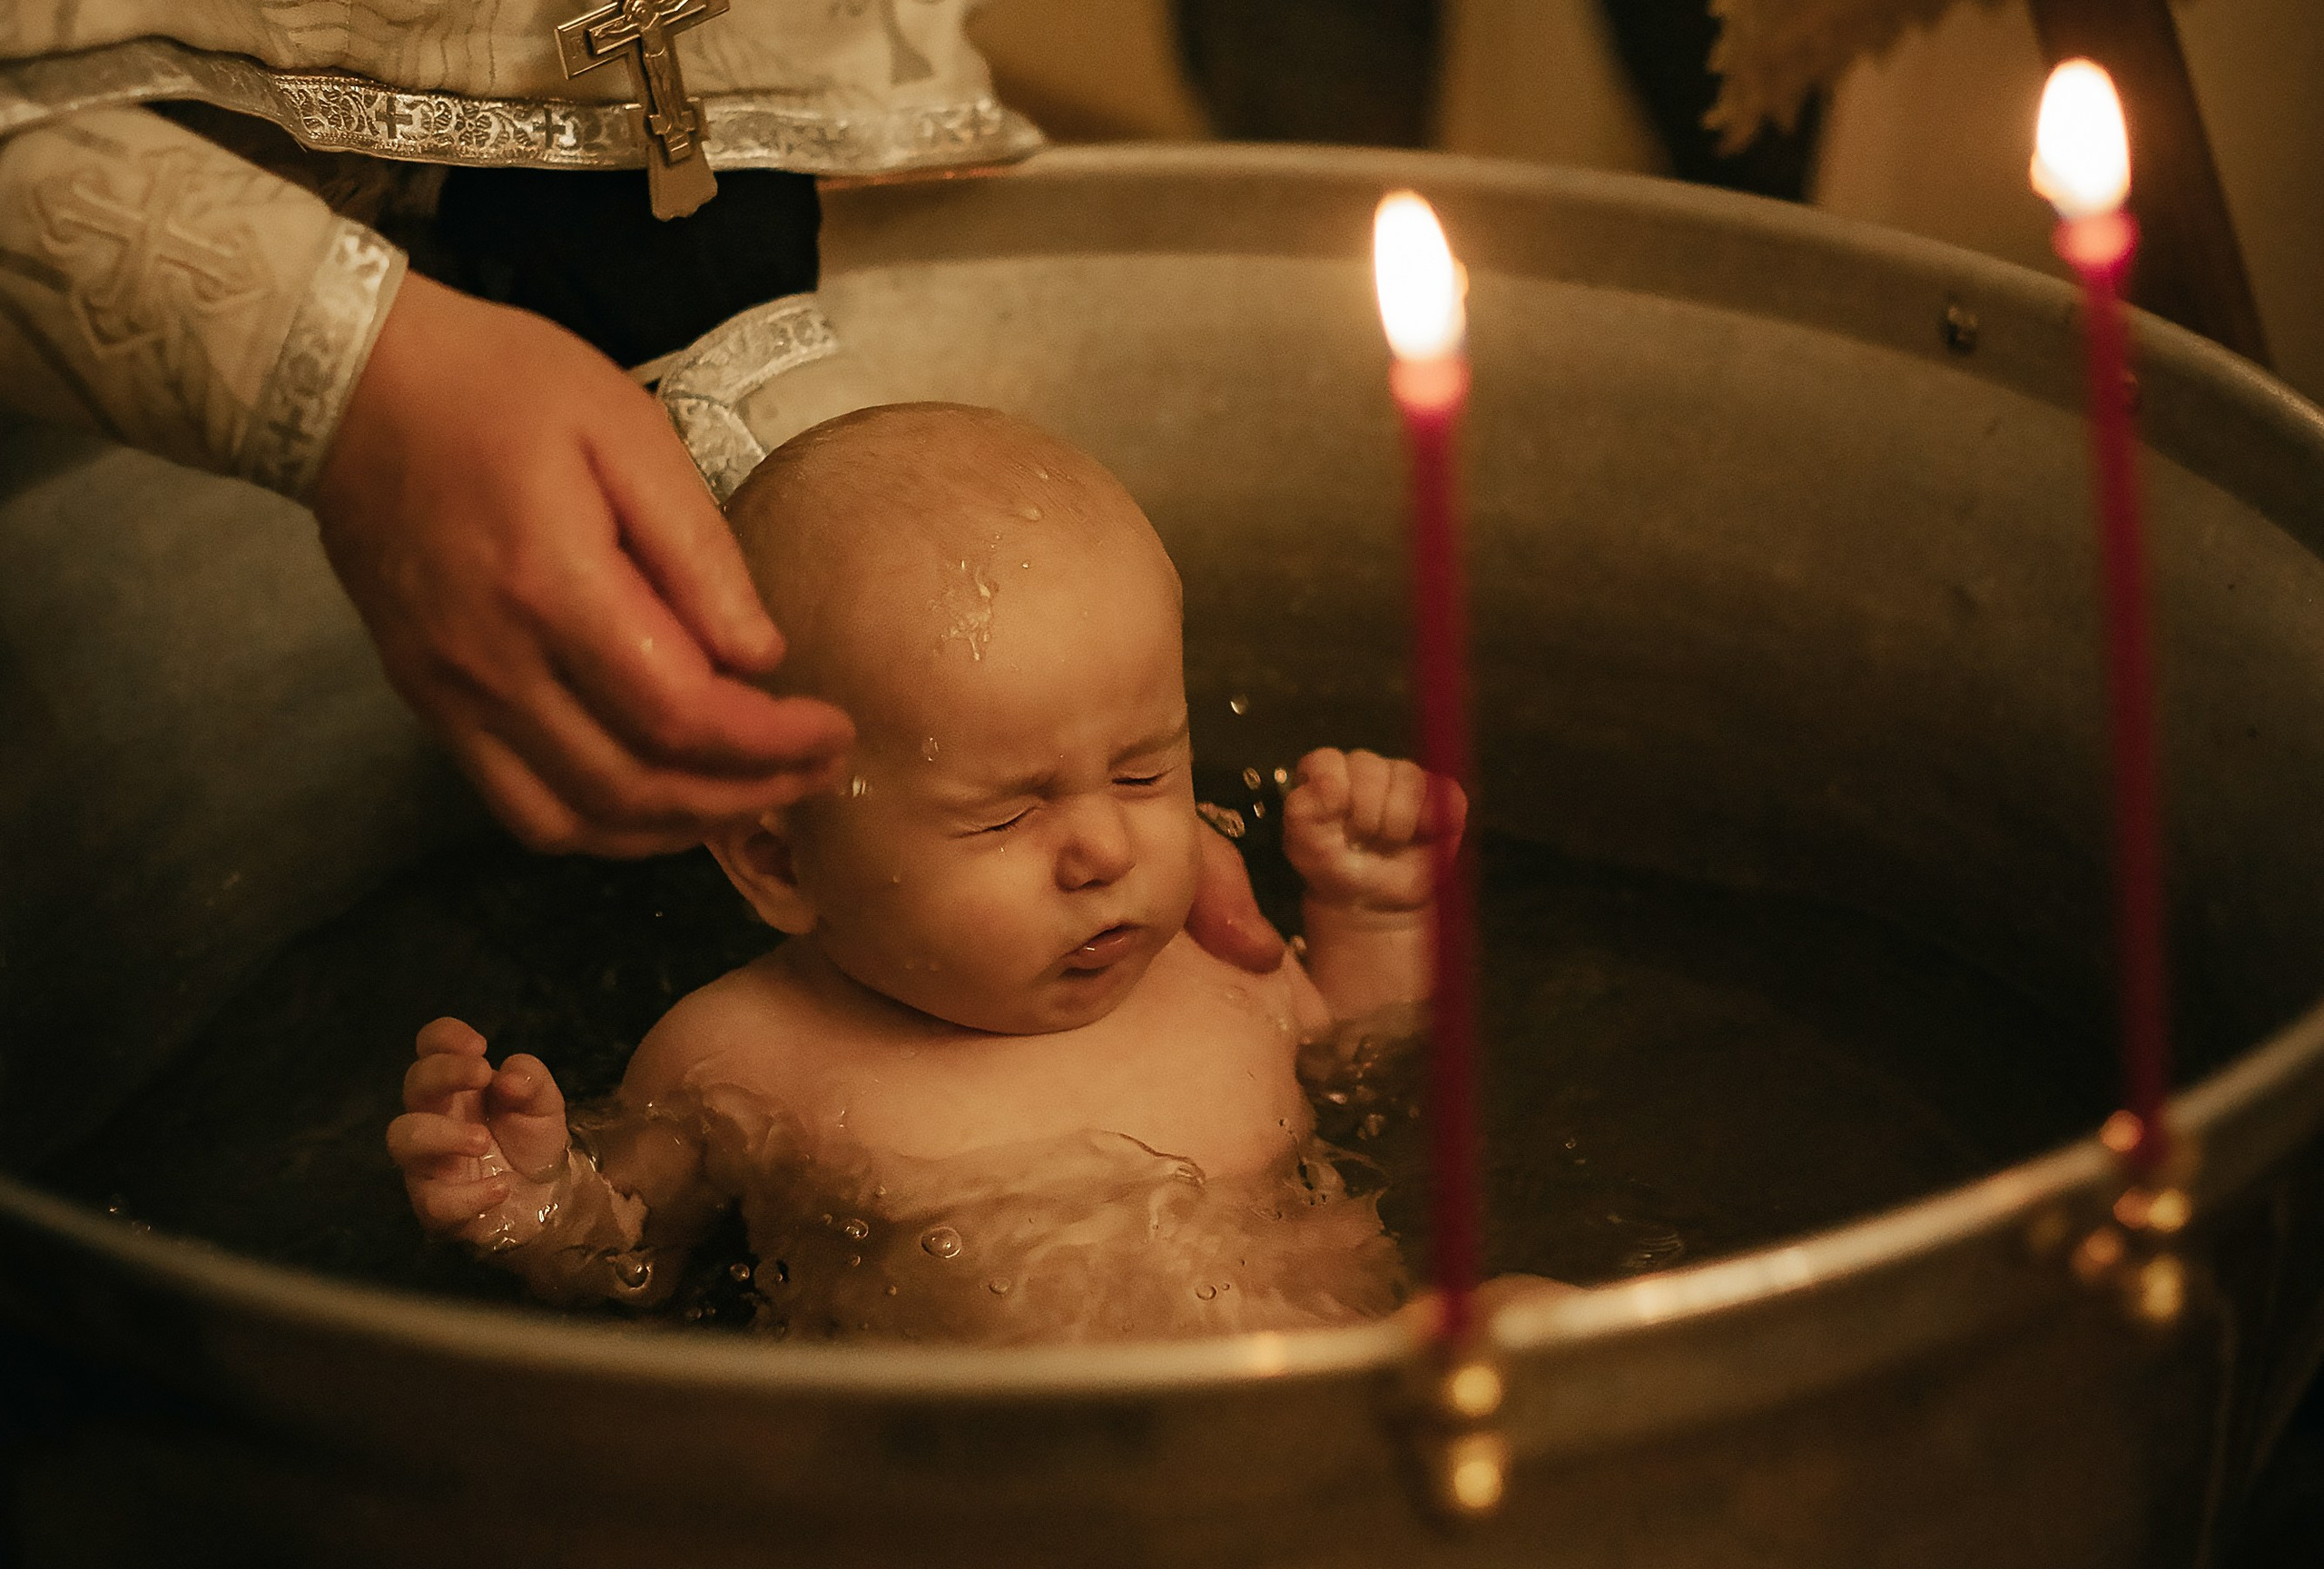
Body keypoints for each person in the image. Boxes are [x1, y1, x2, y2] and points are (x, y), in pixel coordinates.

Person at [386, 403, 1466, 1340]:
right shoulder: (743, 1058)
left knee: (1519, 1319)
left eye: (1143, 774)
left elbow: (1372, 1060)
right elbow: (629, 1257)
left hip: (1340, 1395)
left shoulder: (1218, 965)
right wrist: (534, 1202)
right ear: (778, 861)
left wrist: (1371, 912)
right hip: (989, 1492)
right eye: (1008, 814)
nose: (1106, 850)